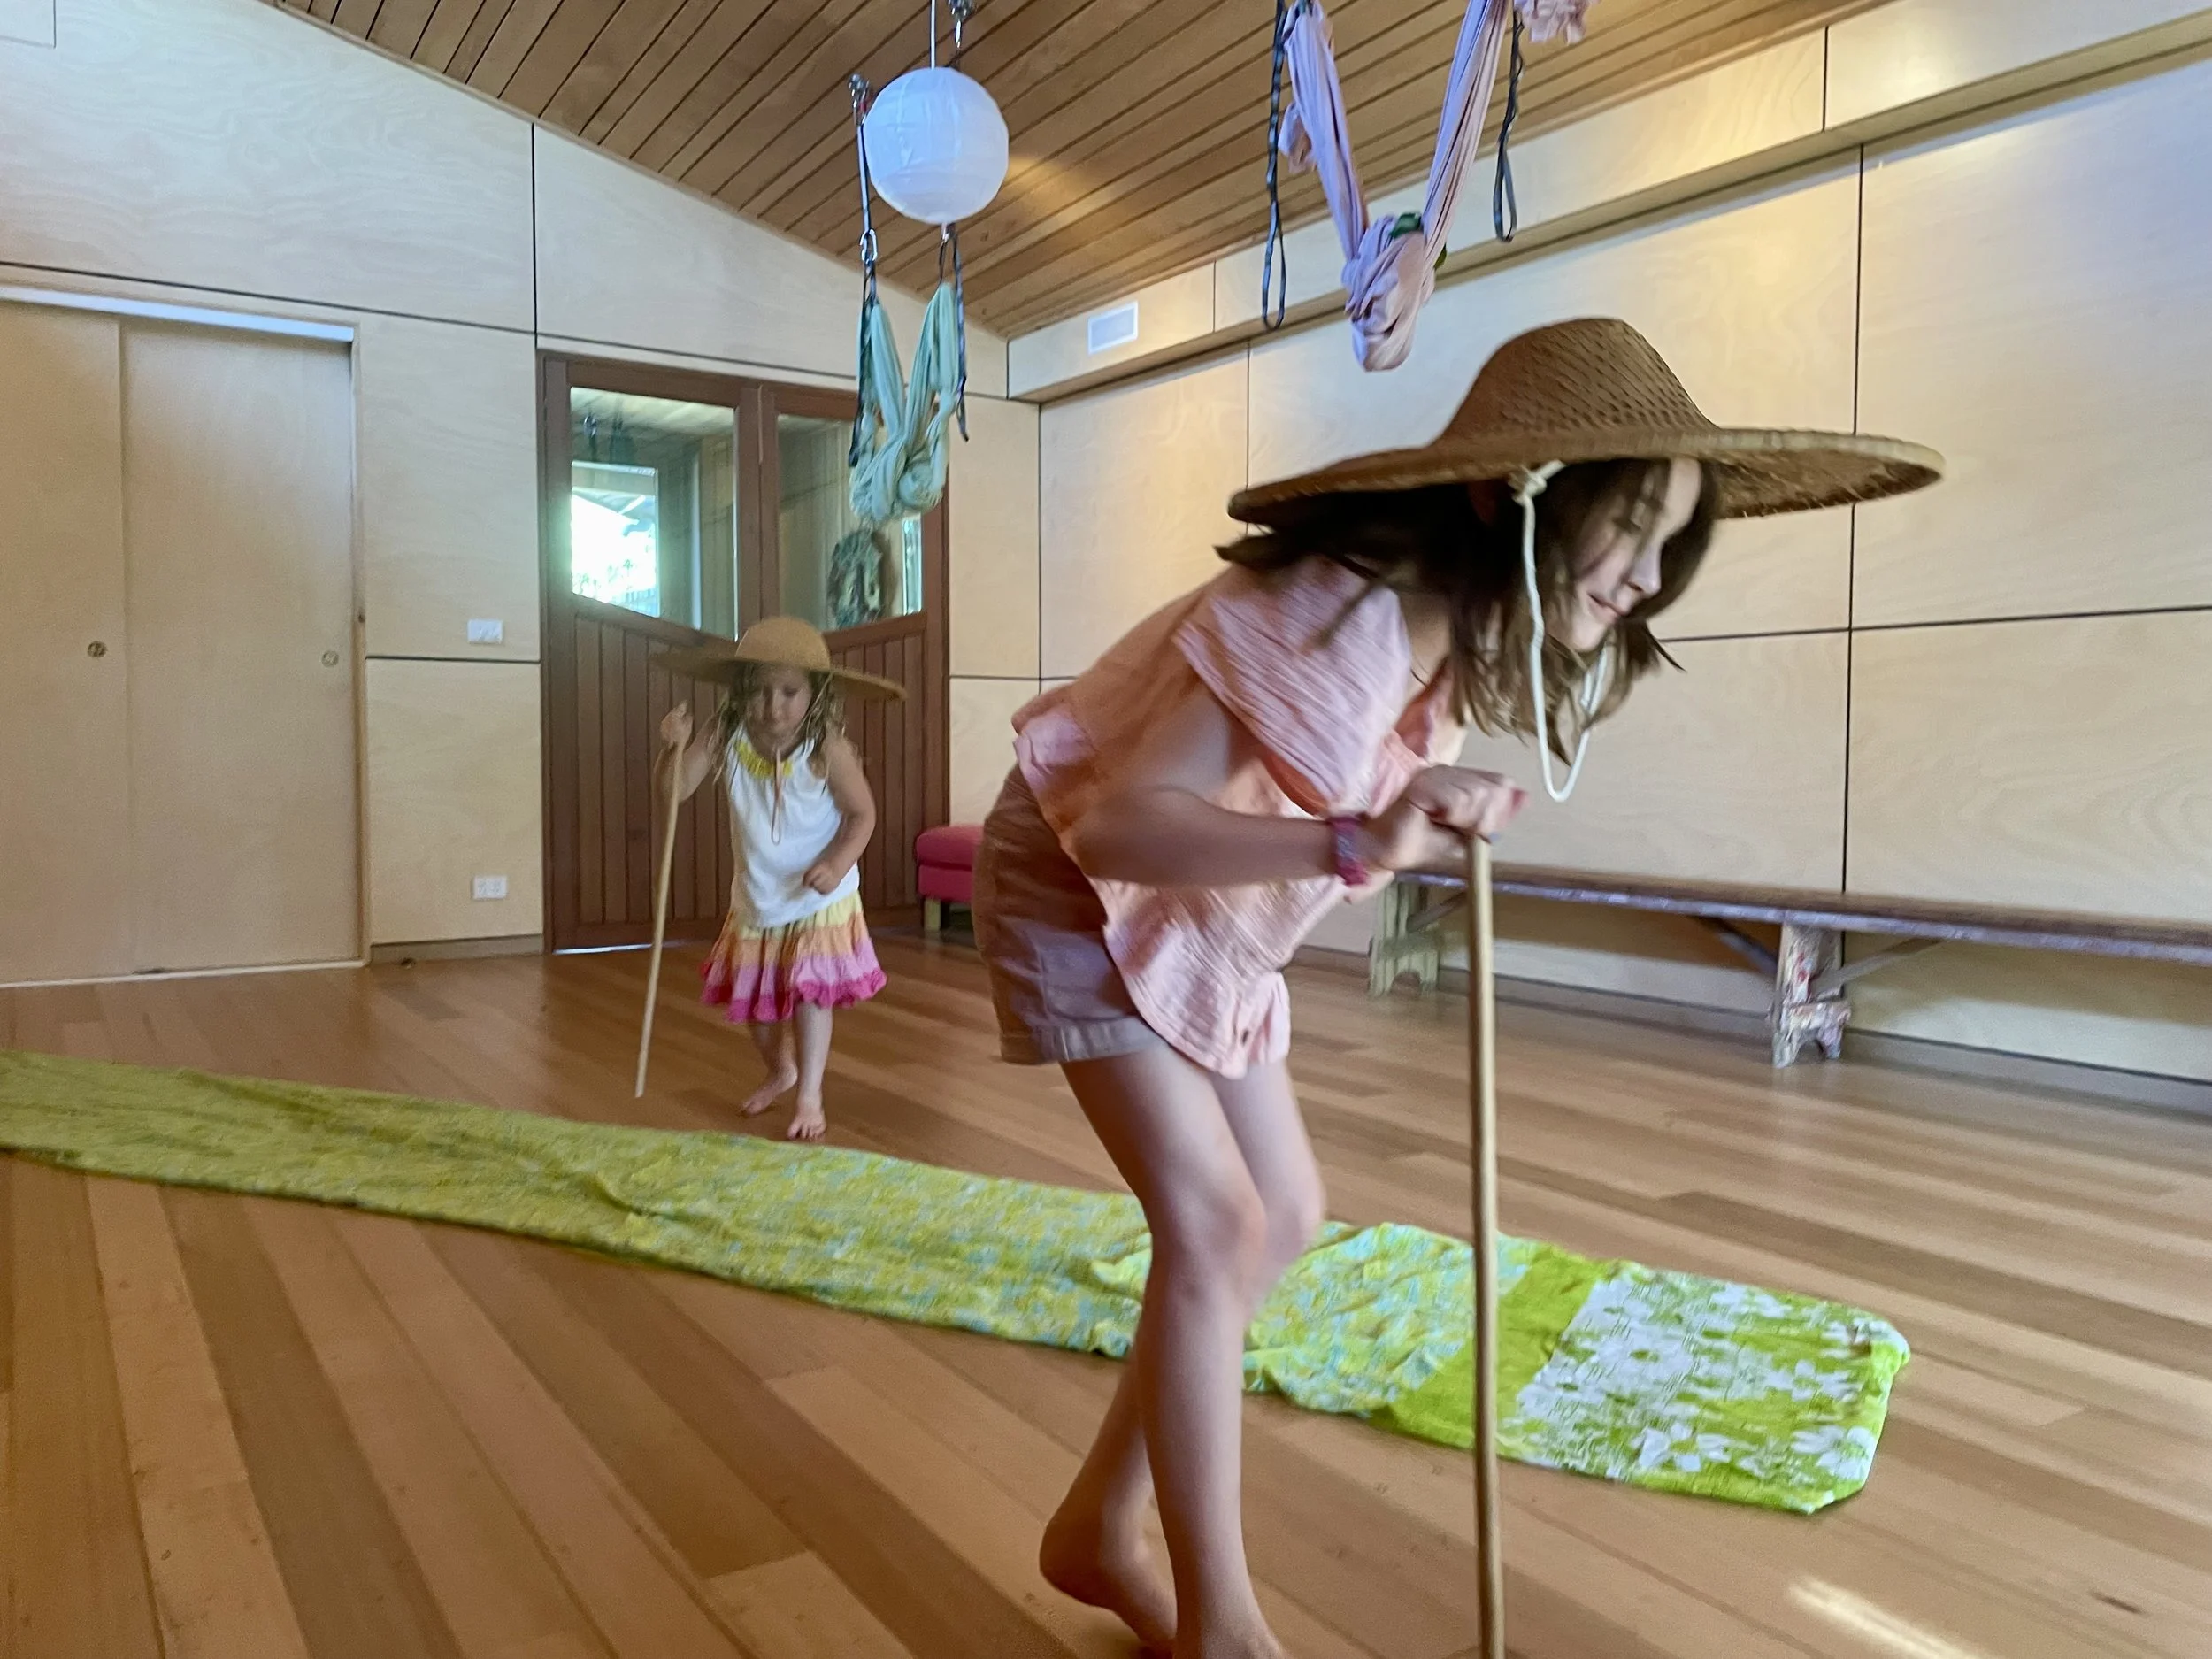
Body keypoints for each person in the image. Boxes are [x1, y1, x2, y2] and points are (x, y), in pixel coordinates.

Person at [971, 318, 1939, 1658]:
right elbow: (1123, 826)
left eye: (1674, 543)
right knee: (1211, 1223)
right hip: (1078, 877)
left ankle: (1099, 1527)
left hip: (1205, 896)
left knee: (1285, 1212)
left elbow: (1324, 792)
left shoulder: (1444, 636)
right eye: (1629, 529)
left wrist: (1401, 800)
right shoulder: (1332, 605)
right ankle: (1224, 1625)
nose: (1648, 579)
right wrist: (1359, 839)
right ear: (1513, 497)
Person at [655, 618, 902, 1142]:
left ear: (816, 695)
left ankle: (810, 1093)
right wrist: (673, 747)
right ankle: (780, 1068)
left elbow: (863, 815)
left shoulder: (826, 749)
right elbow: (675, 791)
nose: (773, 707)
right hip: (760, 896)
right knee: (762, 1013)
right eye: (760, 691)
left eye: (789, 692)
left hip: (820, 894)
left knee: (810, 990)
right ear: (741, 692)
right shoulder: (725, 734)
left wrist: (836, 865)